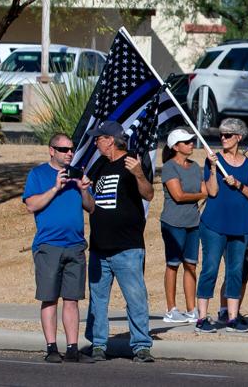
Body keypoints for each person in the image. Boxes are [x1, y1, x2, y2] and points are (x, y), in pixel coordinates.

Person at [82, 120, 155, 363]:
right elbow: (92, 205)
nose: (96, 142)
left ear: (111, 140)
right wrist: (83, 189)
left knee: (135, 298)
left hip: (128, 247)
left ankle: (141, 346)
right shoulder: (100, 165)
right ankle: (99, 344)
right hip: (100, 246)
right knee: (98, 299)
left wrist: (138, 174)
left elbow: (149, 194)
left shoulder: (132, 162)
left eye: (99, 138)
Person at [23, 133, 95, 363]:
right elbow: (31, 205)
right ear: (51, 150)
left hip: (74, 245)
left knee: (72, 299)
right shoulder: (38, 174)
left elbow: (91, 208)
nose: (69, 154)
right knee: (50, 298)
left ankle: (72, 348)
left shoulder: (77, 174)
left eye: (71, 149)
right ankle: (52, 348)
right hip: (48, 245)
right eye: (63, 150)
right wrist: (55, 188)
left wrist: (83, 188)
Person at [194, 118, 248, 334]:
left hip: (240, 225)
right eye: (221, 134)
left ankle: (232, 318)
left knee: (235, 271)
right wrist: (213, 168)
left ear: (239, 137)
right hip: (214, 223)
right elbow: (212, 192)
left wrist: (238, 184)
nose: (223, 138)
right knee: (210, 268)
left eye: (228, 135)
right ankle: (202, 317)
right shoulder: (213, 160)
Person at [159, 127, 206, 324]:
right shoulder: (169, 167)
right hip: (173, 222)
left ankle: (191, 309)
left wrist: (201, 194)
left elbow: (205, 189)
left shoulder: (195, 166)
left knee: (191, 265)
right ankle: (171, 309)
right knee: (173, 264)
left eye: (190, 141)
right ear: (175, 147)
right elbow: (178, 196)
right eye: (186, 142)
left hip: (193, 222)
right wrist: (201, 195)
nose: (190, 144)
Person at [219, 200, 248, 326]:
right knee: (231, 276)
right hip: (234, 241)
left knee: (243, 278)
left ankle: (235, 311)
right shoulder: (233, 194)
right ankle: (224, 310)